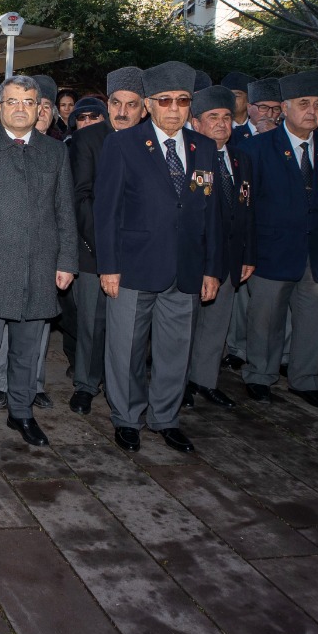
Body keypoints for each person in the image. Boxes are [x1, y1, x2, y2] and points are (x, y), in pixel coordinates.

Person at [95, 61, 224, 454]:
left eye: (182, 101)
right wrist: (109, 267)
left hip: (185, 268)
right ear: (149, 104)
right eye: (165, 100)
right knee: (126, 349)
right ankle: (127, 418)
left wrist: (212, 269)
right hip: (133, 266)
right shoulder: (123, 143)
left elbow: (213, 212)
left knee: (174, 351)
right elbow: (106, 211)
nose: (173, 108)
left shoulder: (204, 147)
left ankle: (165, 418)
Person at [0, 75, 77, 446]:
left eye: (28, 102)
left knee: (27, 352)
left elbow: (64, 212)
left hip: (40, 268)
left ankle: (22, 414)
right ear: (0, 107)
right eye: (12, 102)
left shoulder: (55, 152)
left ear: (40, 107)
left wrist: (67, 261)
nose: (20, 108)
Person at [238, 71, 318, 408]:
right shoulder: (256, 148)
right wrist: (247, 250)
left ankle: (305, 379)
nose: (312, 111)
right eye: (304, 104)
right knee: (265, 319)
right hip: (271, 250)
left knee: (315, 320)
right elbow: (245, 206)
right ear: (284, 109)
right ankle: (260, 374)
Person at [64, 67, 142, 415]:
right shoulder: (87, 140)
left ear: (145, 108)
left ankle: (123, 385)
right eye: (115, 103)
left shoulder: (151, 142)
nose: (122, 112)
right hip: (93, 249)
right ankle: (85, 384)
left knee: (132, 328)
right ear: (106, 104)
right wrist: (105, 248)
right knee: (91, 323)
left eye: (131, 104)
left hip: (140, 253)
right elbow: (80, 199)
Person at [182, 83, 253, 410]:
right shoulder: (187, 156)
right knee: (185, 326)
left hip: (230, 258)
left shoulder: (241, 159)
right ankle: (179, 384)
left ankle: (205, 380)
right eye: (213, 117)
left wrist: (248, 254)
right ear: (196, 122)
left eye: (227, 117)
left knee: (216, 325)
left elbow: (249, 211)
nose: (222, 123)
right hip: (194, 257)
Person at [234, 78, 281, 144]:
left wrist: (276, 134)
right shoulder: (232, 136)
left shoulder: (285, 135)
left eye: (276, 109)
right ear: (249, 108)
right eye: (264, 108)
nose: (270, 114)